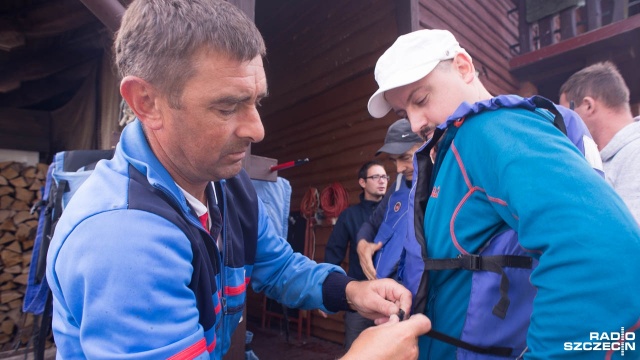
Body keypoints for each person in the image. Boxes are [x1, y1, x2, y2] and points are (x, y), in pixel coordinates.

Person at [45, 1, 432, 359]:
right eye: (228, 106)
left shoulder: (226, 186)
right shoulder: (121, 240)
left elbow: (278, 267)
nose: (257, 129)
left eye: (256, 101)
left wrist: (350, 291)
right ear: (147, 102)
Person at [367, 29, 640, 359]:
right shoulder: (453, 147)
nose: (414, 122)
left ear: (464, 67)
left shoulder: (491, 132)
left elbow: (602, 248)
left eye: (421, 100)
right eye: (402, 113)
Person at [559, 61, 640, 222]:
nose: (564, 126)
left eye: (567, 115)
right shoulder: (601, 161)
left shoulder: (635, 153)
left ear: (588, 106)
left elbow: (630, 236)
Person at [324, 160, 388, 349]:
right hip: (360, 300)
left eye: (384, 176)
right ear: (362, 182)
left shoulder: (395, 212)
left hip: (391, 299)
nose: (382, 181)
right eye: (375, 177)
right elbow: (334, 252)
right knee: (356, 350)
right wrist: (325, 291)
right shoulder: (349, 215)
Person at [357, 119, 423, 281]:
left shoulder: (438, 188)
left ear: (425, 145)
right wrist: (362, 243)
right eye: (394, 160)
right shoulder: (396, 187)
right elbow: (372, 223)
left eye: (405, 157)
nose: (398, 168)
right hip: (378, 289)